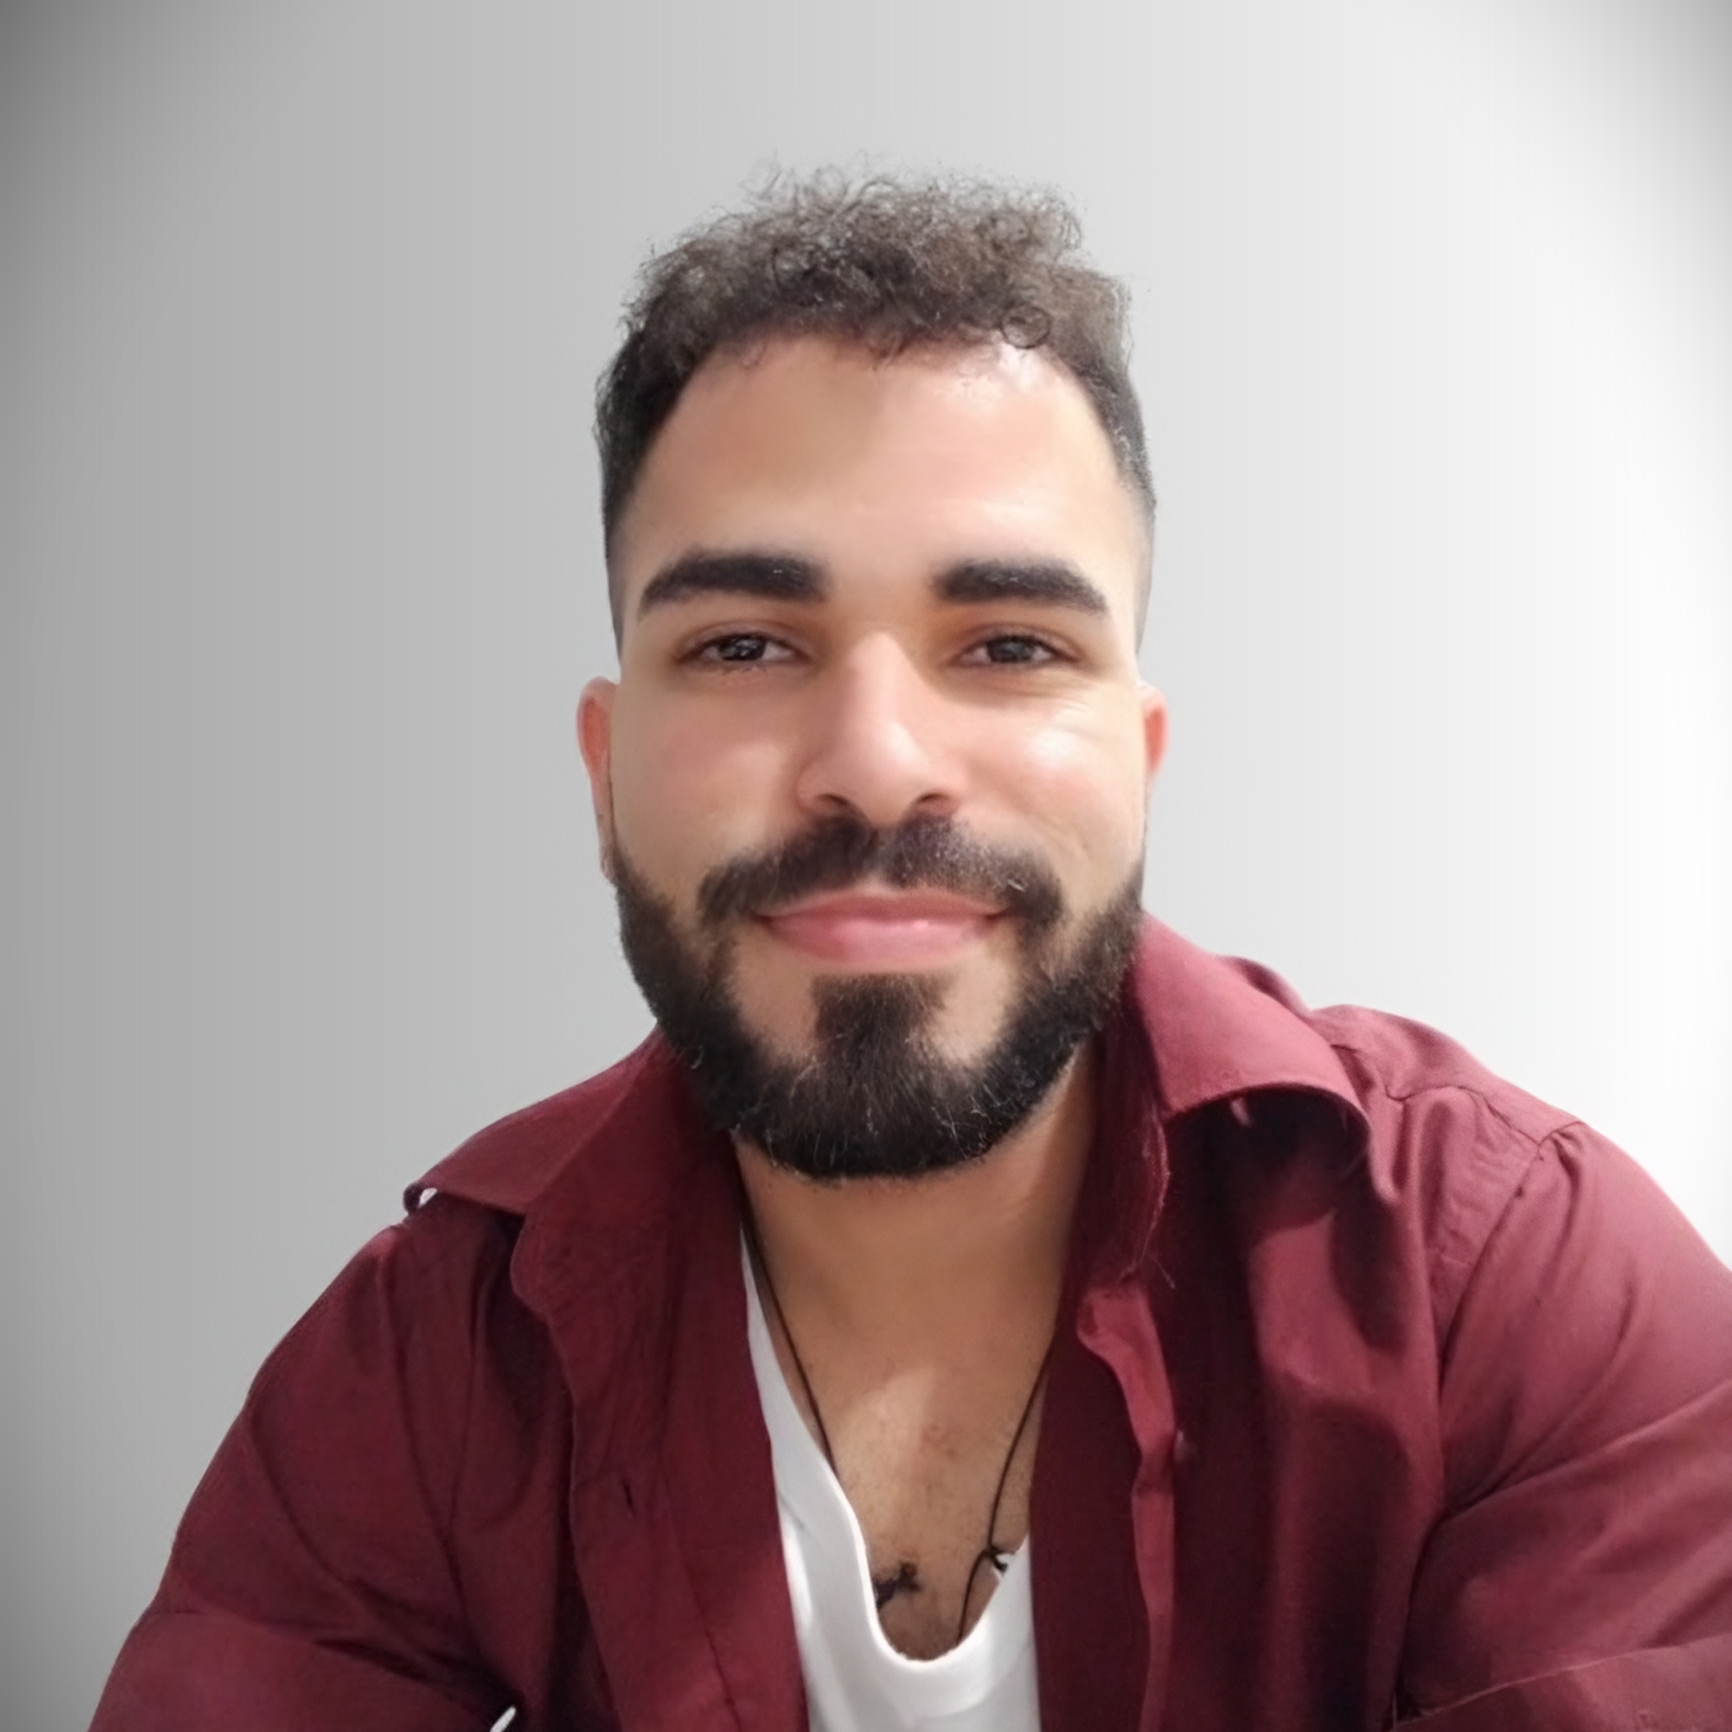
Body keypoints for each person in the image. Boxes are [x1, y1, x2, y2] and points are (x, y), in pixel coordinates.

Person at [92, 175, 1732, 1732]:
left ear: (1140, 762)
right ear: (604, 774)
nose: (876, 765)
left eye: (1010, 644)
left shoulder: (1510, 1282)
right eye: (746, 644)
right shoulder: (427, 1366)